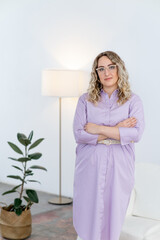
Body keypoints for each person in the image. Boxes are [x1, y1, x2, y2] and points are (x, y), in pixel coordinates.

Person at [73, 50, 145, 240]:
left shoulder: (133, 100)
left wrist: (97, 128)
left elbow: (136, 134)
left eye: (111, 67)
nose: (107, 73)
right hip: (89, 164)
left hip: (120, 165)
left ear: (119, 68)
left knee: (114, 211)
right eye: (101, 69)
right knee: (88, 209)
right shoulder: (85, 100)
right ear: (96, 73)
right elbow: (79, 134)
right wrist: (117, 130)